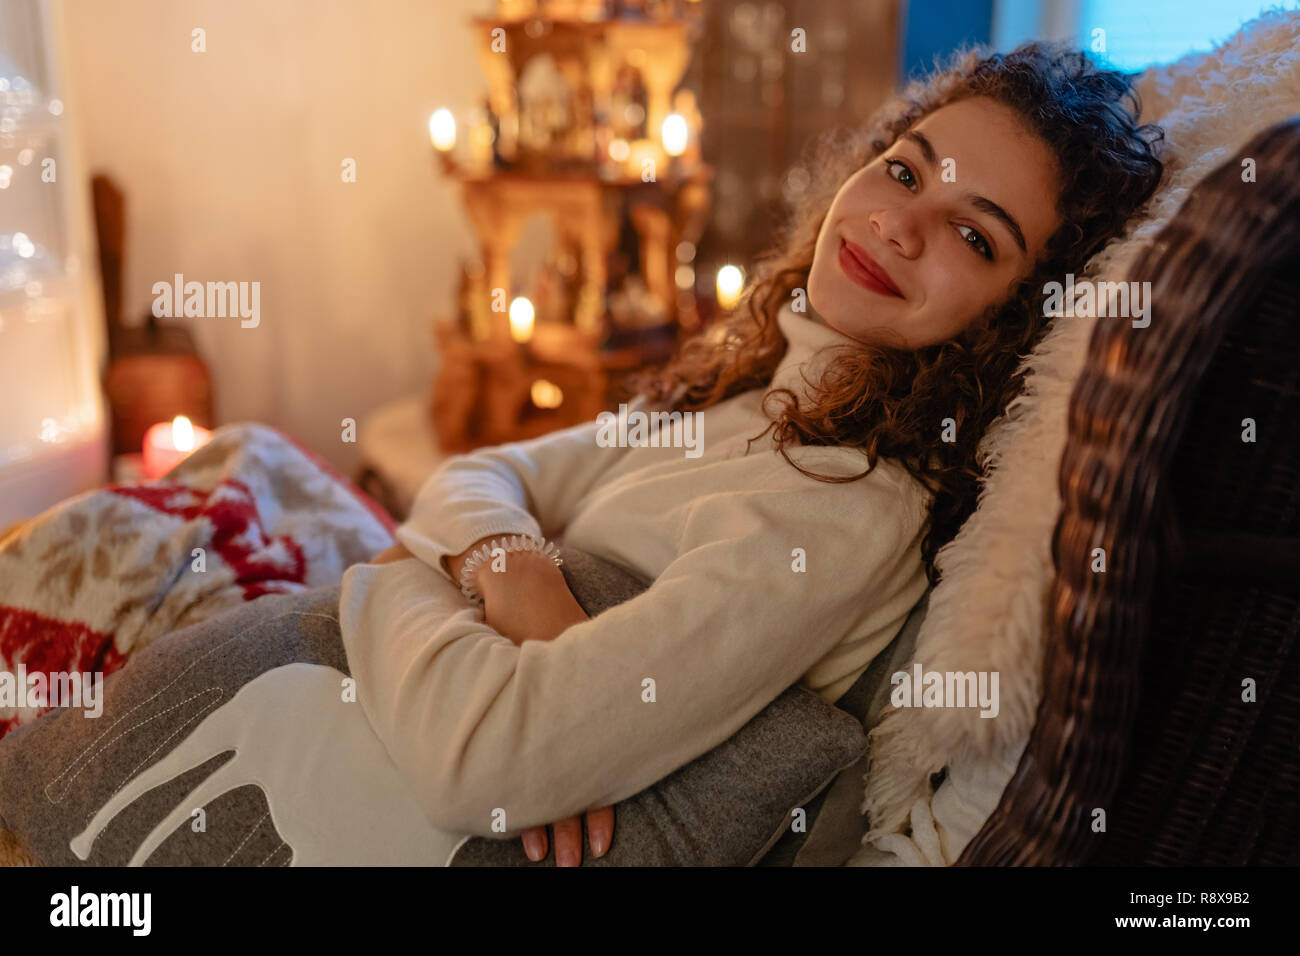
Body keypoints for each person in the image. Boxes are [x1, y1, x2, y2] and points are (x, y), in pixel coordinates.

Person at [345, 42, 1164, 866]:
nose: (895, 224)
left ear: (1016, 319)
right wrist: (510, 565)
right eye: (906, 172)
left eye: (974, 236)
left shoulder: (846, 504)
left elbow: (483, 763)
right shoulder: (751, 388)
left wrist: (386, 576)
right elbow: (484, 473)